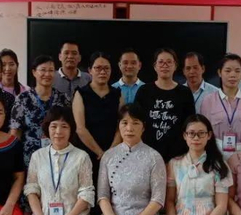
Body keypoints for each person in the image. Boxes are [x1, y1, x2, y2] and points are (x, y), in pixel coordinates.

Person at [135, 48, 196, 164]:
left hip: (178, 155)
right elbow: (136, 121)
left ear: (175, 66)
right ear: (155, 66)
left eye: (169, 62)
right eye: (161, 62)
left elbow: (190, 124)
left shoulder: (185, 92)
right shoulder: (144, 91)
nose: (165, 65)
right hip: (147, 154)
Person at [10, 55, 71, 169]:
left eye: (51, 70)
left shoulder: (63, 99)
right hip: (29, 158)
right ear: (34, 72)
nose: (47, 74)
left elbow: (69, 128)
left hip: (58, 157)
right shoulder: (23, 99)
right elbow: (15, 131)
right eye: (43, 70)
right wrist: (14, 158)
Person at [73, 52, 123, 185]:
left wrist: (110, 152)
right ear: (90, 70)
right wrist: (100, 153)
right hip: (86, 152)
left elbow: (121, 126)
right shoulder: (81, 93)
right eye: (98, 68)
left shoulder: (117, 94)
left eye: (106, 68)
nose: (102, 72)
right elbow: (80, 128)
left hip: (113, 153)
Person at [199, 54, 241, 160]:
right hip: (215, 151)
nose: (233, 75)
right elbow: (203, 130)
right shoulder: (208, 101)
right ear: (219, 73)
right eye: (228, 70)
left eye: (237, 71)